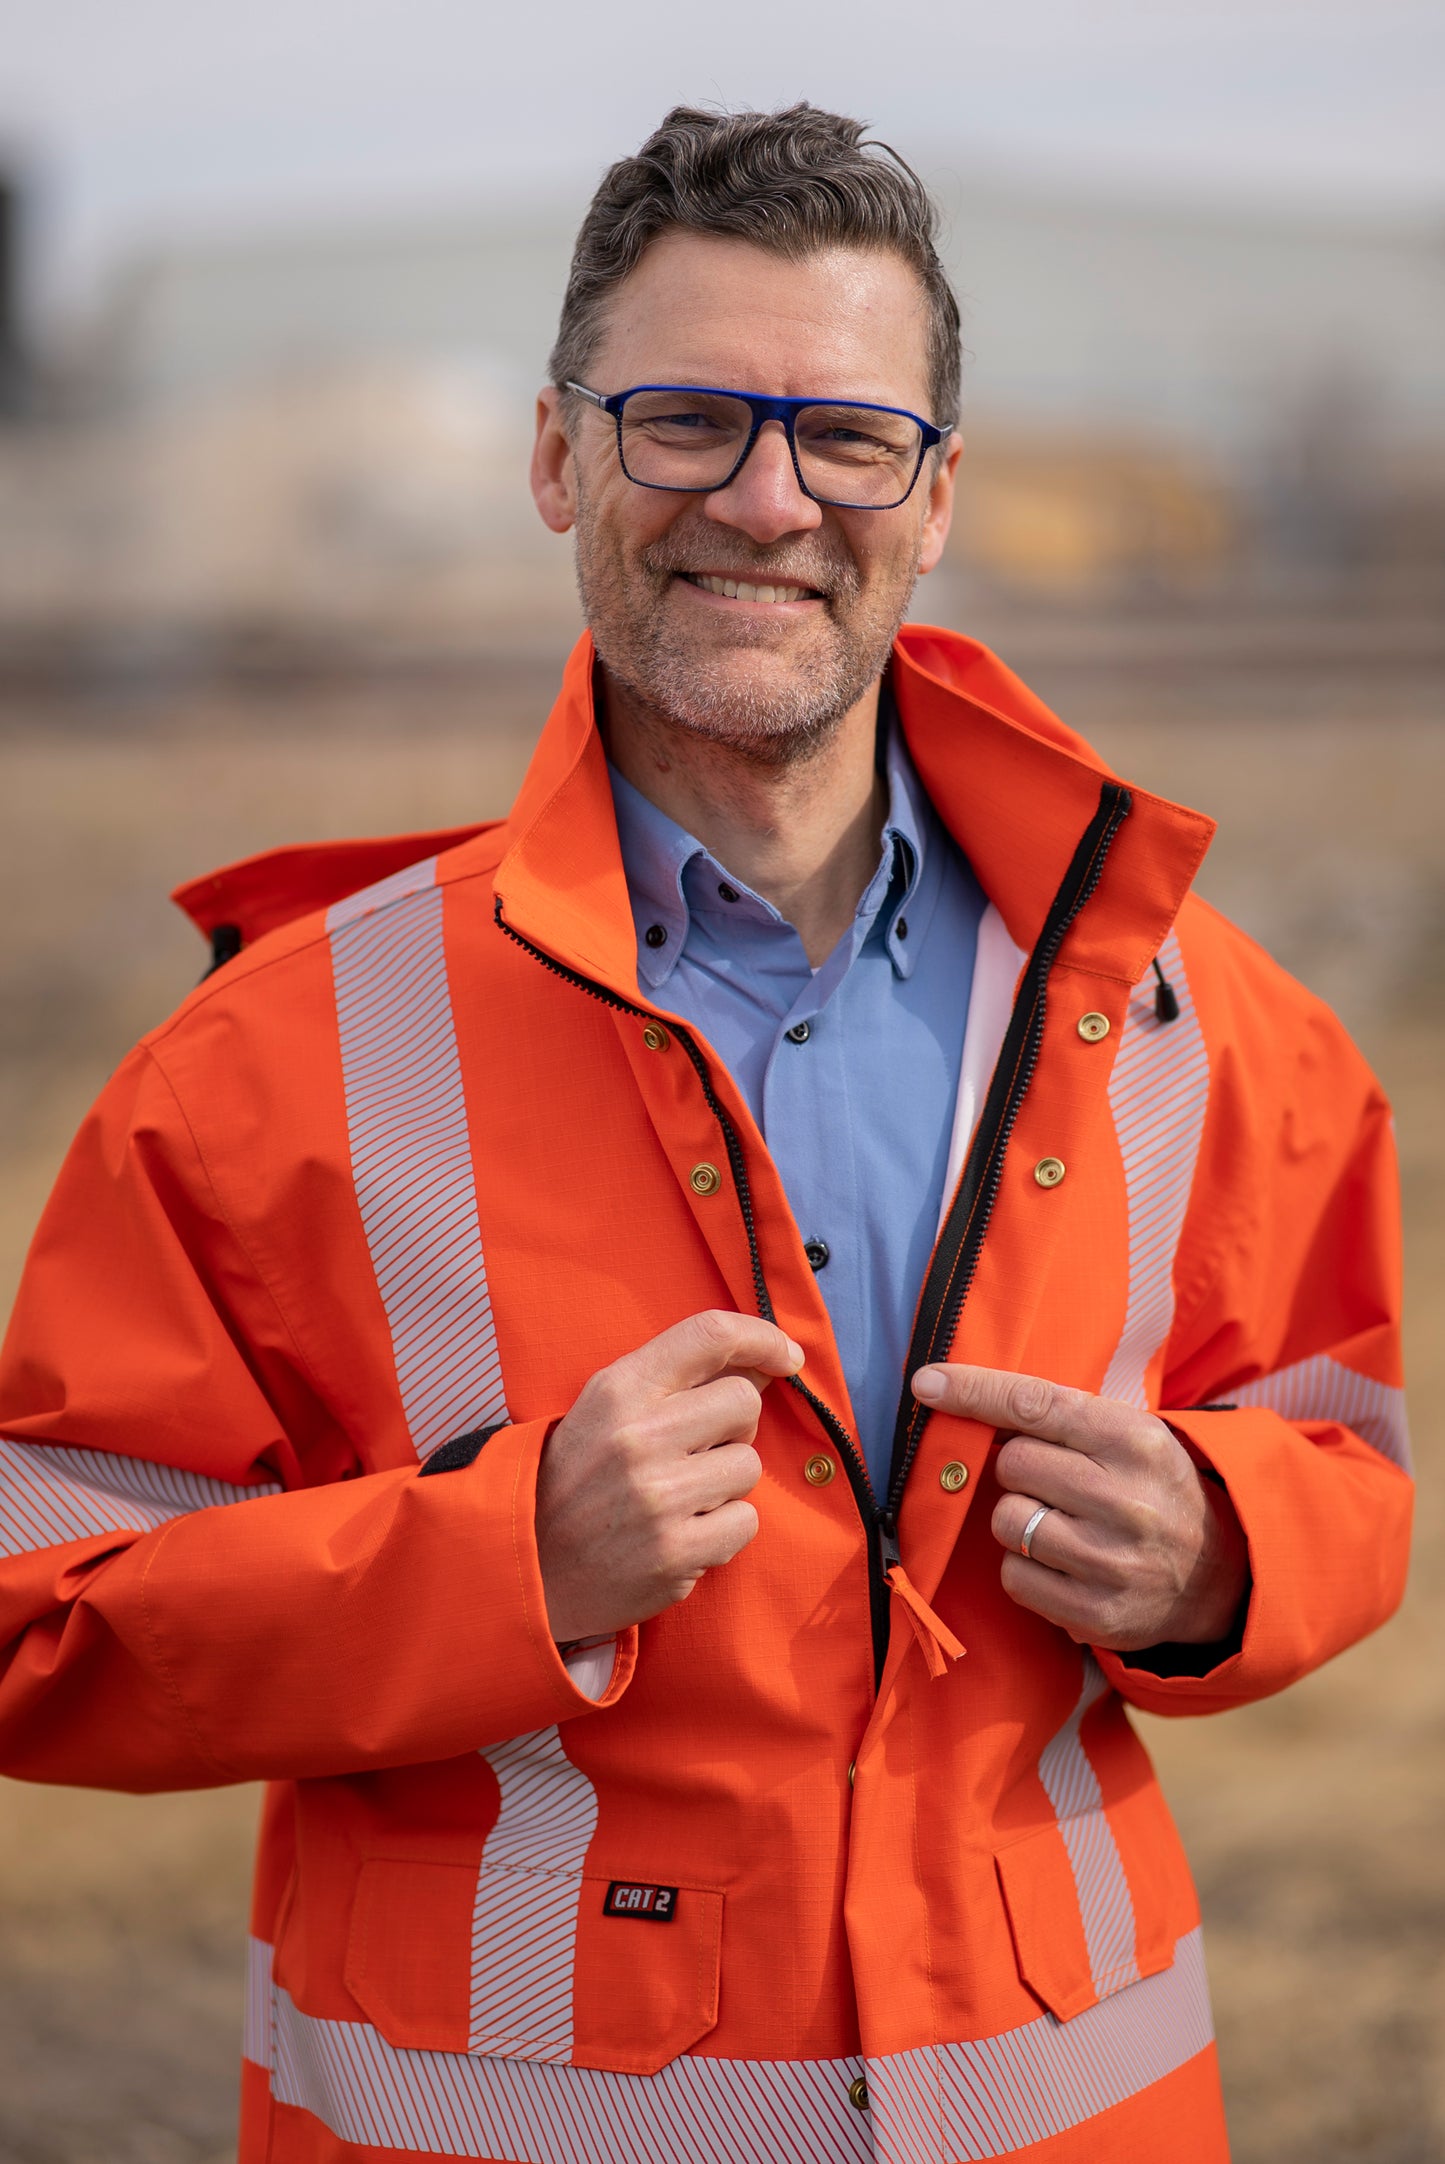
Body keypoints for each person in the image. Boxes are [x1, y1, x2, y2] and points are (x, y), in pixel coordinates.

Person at [0, 104, 1412, 2164]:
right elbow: (43, 1615)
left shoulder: (1202, 1016)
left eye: (846, 437)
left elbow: (1345, 1453)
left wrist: (1221, 1550)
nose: (765, 497)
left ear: (934, 502)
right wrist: (506, 1561)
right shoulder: (276, 1057)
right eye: (685, 420)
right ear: (561, 455)